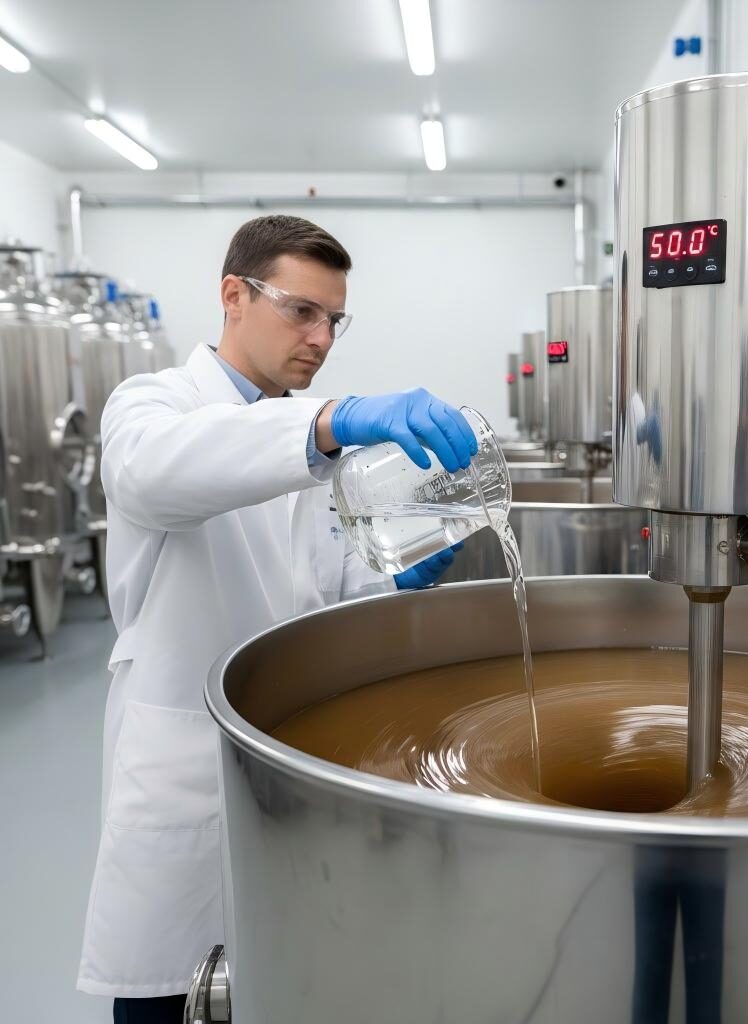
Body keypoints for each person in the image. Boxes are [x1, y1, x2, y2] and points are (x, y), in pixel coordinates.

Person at [76, 215, 475, 1022]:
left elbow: (315, 601)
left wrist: (392, 579)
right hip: (185, 769)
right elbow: (154, 474)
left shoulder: (303, 443)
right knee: (166, 996)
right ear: (234, 295)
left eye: (335, 319)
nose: (322, 337)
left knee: (278, 985)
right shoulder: (154, 403)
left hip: (291, 763)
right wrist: (331, 419)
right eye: (302, 311)